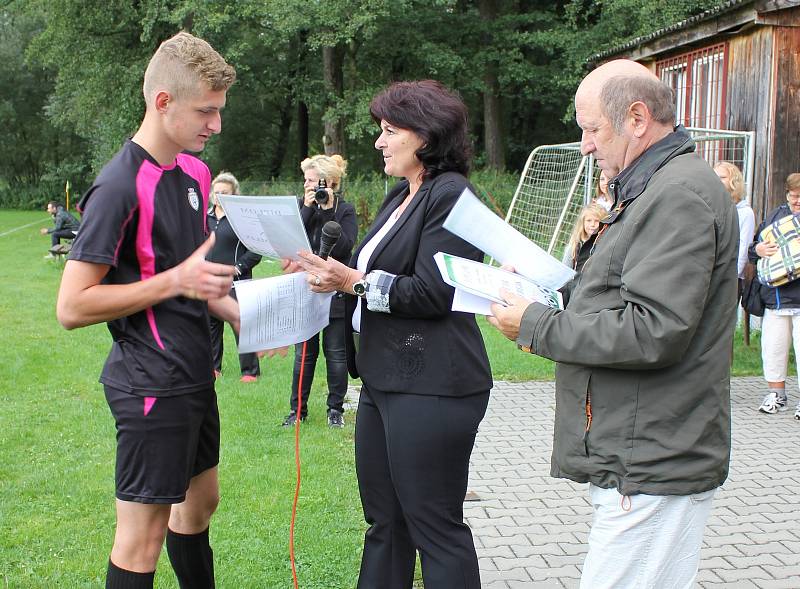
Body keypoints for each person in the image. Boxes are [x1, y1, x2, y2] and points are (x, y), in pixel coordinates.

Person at [488, 59, 737, 588]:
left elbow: (654, 329)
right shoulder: (651, 188)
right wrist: (547, 290)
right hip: (641, 450)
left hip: (654, 457)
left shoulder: (677, 195)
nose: (584, 145)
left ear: (638, 118)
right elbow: (615, 294)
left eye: (592, 128)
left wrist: (536, 325)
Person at [55, 32, 237, 589]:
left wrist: (240, 313)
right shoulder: (116, 185)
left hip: (193, 373)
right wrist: (172, 281)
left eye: (219, 111)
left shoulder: (196, 175)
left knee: (200, 504)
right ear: (163, 102)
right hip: (149, 382)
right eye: (206, 111)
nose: (216, 125)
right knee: (141, 542)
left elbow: (195, 279)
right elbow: (71, 306)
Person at [296, 80, 492, 588]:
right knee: (384, 524)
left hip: (435, 384)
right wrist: (329, 274)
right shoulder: (401, 194)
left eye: (389, 131)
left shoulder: (452, 195)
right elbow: (370, 276)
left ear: (425, 136)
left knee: (435, 527)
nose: (379, 142)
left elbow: (433, 292)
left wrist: (353, 281)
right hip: (385, 380)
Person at [282, 154, 356, 428]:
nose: (309, 186)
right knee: (304, 354)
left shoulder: (344, 211)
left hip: (335, 293)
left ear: (331, 182)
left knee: (335, 353)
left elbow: (344, 247)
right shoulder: (305, 208)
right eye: (306, 181)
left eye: (313, 181)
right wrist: (307, 207)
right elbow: (292, 240)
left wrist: (326, 210)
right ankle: (297, 411)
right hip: (305, 292)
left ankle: (335, 409)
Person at [749, 172, 800, 420]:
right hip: (776, 297)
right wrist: (758, 248)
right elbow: (753, 250)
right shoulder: (775, 216)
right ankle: (776, 395)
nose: (796, 202)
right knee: (773, 348)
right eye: (793, 197)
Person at [207, 171, 263, 383]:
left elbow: (256, 250)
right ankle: (213, 367)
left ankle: (250, 371)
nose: (219, 196)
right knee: (211, 326)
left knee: (242, 324)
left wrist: (238, 268)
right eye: (216, 192)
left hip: (237, 283)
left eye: (224, 193)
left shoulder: (243, 220)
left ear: (234, 195)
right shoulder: (206, 218)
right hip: (210, 281)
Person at [715, 161, 755, 298]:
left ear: (733, 181)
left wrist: (732, 278)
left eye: (722, 177)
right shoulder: (710, 208)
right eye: (715, 176)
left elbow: (744, 247)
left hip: (730, 278)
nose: (717, 180)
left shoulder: (745, 212)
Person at [563, 203, 607, 273]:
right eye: (589, 220)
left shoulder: (607, 243)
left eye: (597, 221)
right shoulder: (574, 247)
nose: (592, 224)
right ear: (582, 223)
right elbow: (565, 272)